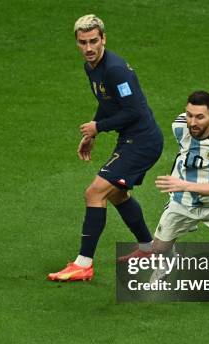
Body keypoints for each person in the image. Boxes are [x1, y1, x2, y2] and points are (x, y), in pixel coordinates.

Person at [47, 14, 164, 282]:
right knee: (116, 194)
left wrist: (98, 128)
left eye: (93, 41)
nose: (88, 48)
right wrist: (93, 130)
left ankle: (83, 264)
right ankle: (149, 249)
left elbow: (133, 111)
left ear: (104, 39)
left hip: (143, 142)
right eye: (82, 42)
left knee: (94, 193)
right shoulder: (92, 66)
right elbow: (109, 101)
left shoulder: (115, 69)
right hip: (131, 140)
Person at [152, 91, 209, 300]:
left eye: (199, 117)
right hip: (183, 202)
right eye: (189, 115)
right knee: (158, 248)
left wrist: (183, 184)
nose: (192, 122)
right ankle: (168, 262)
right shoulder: (179, 126)